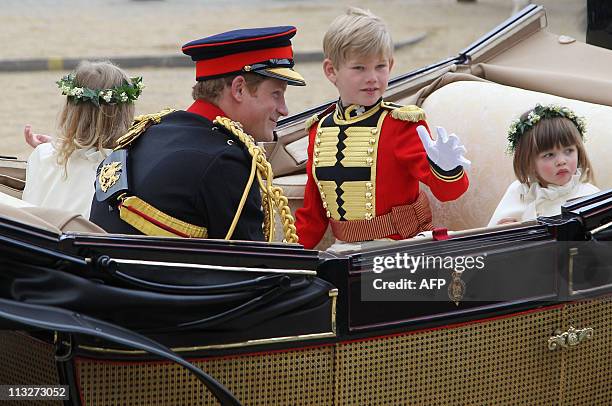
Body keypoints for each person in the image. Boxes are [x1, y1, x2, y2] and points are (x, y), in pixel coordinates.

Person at [89, 26, 304, 242]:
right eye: (276, 94)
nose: (284, 109)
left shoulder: (147, 132)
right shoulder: (226, 162)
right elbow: (249, 265)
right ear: (239, 89)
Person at [295, 8, 470, 249]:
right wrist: (287, 257)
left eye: (380, 67)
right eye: (359, 68)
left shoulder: (400, 125)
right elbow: (313, 213)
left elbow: (448, 192)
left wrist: (447, 168)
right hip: (342, 249)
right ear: (331, 71)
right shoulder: (319, 129)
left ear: (391, 65)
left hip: (399, 249)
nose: (372, 78)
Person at [22, 60, 142, 218]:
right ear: (125, 114)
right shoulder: (126, 169)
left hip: (35, 239)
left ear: (70, 110)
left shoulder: (42, 155)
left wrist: (57, 147)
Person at [488, 104, 599, 226]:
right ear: (529, 162)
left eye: (569, 151)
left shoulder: (590, 195)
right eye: (549, 155)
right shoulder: (518, 193)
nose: (561, 161)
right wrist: (505, 234)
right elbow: (488, 240)